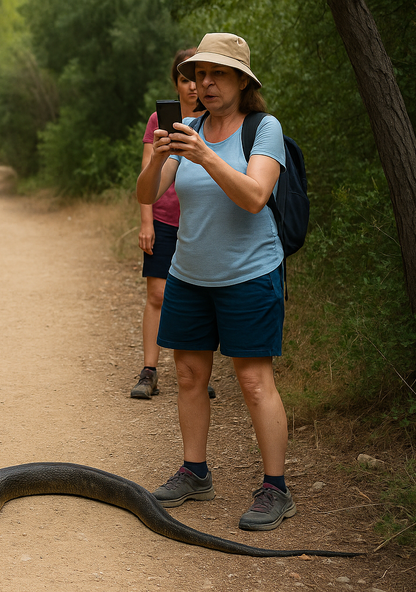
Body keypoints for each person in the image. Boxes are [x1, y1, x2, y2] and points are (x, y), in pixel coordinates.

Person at [136, 33, 292, 531]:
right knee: (188, 376)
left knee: (253, 381)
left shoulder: (263, 129)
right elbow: (145, 193)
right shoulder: (189, 129)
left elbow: (254, 196)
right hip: (189, 274)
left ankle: (275, 488)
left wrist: (204, 155)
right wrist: (159, 157)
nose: (205, 83)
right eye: (199, 74)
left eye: (217, 74)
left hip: (250, 273)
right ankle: (195, 472)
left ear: (242, 81)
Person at [131, 48, 215, 402]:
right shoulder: (159, 120)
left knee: (201, 296)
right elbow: (147, 173)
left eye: (196, 78)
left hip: (200, 222)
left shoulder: (214, 120)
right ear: (176, 83)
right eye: (184, 79)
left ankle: (198, 371)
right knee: (157, 295)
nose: (192, 86)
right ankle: (149, 371)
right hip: (164, 219)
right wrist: (146, 222)